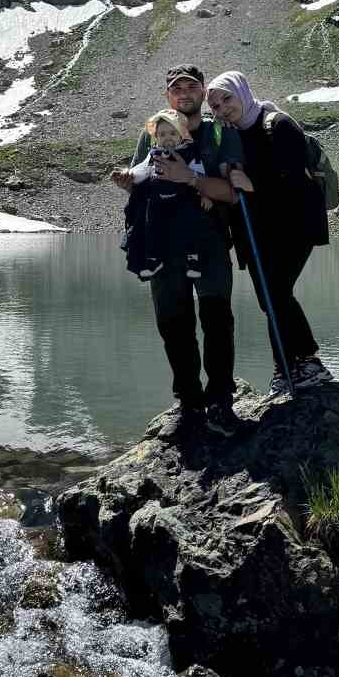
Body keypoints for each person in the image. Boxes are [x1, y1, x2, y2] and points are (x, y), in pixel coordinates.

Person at [112, 65, 250, 436]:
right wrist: (129, 184)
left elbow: (233, 193)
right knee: (173, 324)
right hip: (162, 243)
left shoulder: (221, 130)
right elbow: (144, 184)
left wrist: (190, 180)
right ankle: (188, 401)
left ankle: (220, 399)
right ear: (167, 95)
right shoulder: (153, 132)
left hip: (209, 241)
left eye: (191, 86)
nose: (184, 93)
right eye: (177, 88)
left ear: (204, 91)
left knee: (217, 320)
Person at [205, 70, 332, 399]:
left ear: (242, 93)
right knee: (269, 297)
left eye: (226, 99)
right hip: (259, 231)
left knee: (275, 292)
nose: (222, 109)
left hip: (295, 226)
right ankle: (287, 367)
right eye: (215, 105)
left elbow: (295, 184)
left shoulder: (277, 124)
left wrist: (253, 185)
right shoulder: (230, 134)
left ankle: (306, 362)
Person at [123, 107, 215, 281]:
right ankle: (153, 259)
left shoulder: (190, 153)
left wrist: (204, 194)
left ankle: (192, 259)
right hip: (157, 202)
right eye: (163, 134)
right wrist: (128, 175)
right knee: (152, 227)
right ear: (156, 137)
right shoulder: (153, 154)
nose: (168, 138)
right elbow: (141, 171)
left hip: (184, 199)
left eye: (173, 133)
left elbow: (200, 175)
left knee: (189, 226)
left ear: (181, 135)